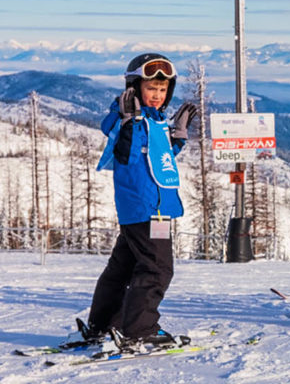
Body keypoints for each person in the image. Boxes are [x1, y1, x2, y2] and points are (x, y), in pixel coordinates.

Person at [77, 53, 199, 350]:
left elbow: (159, 159)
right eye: (150, 88)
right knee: (158, 267)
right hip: (146, 208)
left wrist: (178, 137)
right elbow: (125, 155)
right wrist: (128, 122)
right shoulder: (123, 119)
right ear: (134, 87)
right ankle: (139, 328)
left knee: (123, 267)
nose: (157, 96)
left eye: (162, 90)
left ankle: (103, 324)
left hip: (148, 206)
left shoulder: (153, 120)